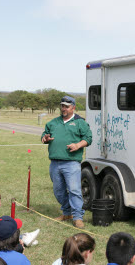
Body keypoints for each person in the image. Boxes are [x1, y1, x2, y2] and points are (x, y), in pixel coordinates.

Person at [41, 96, 92, 228]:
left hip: (71, 163)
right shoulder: (53, 122)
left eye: (67, 106)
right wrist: (45, 138)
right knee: (58, 190)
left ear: (73, 107)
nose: (63, 109)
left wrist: (78, 145)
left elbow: (88, 138)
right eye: (62, 106)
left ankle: (78, 217)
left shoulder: (80, 122)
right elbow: (44, 135)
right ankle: (67, 212)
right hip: (55, 163)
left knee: (74, 190)